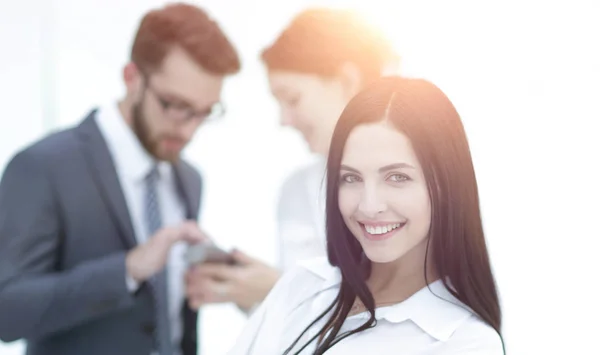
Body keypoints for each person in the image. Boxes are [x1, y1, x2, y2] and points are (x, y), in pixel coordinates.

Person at [0, 3, 240, 355]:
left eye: (205, 113)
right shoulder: (42, 166)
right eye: (175, 105)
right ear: (132, 77)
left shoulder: (189, 178)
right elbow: (7, 312)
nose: (189, 130)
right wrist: (128, 269)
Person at [227, 76, 506, 354]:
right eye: (351, 178)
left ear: (447, 184)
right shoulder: (304, 284)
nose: (369, 206)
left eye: (397, 177)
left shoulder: (465, 342)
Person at [184, 7, 399, 313]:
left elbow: (408, 317)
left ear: (345, 81)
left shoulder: (426, 181)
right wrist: (251, 295)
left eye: (292, 98)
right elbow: (304, 327)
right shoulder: (298, 190)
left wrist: (277, 287)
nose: (284, 120)